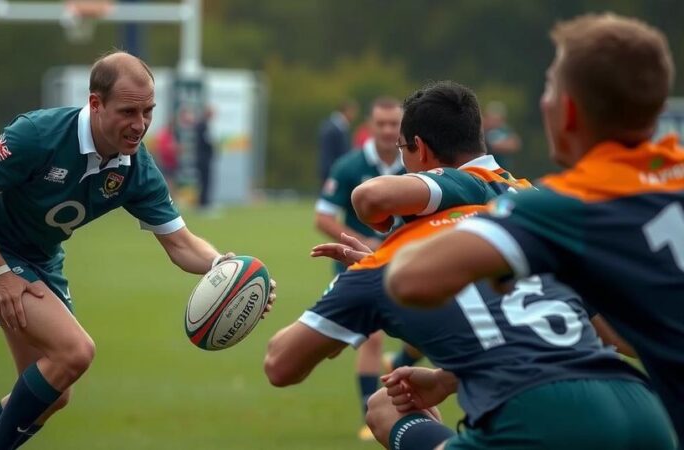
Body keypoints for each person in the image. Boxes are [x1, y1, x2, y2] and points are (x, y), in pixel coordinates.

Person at [265, 81, 674, 450]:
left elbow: (279, 365)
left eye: (403, 152)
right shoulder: (526, 233)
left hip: (538, 420)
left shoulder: (398, 258)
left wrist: (371, 272)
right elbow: (608, 338)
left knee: (385, 408)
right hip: (642, 411)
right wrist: (446, 380)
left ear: (420, 152)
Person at [0, 51, 274, 450]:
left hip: (41, 260)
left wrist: (228, 270)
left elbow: (181, 243)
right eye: (128, 112)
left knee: (55, 392)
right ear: (95, 104)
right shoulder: (37, 134)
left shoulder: (135, 168)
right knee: (74, 352)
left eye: (148, 111)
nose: (140, 125)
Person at [384, 13, 684, 445]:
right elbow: (627, 338)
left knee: (388, 417)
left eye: (549, 86)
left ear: (567, 110)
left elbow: (410, 279)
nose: (543, 101)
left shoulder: (567, 205)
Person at [314, 96, 420, 440]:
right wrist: (365, 242)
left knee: (426, 331)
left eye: (394, 124)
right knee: (371, 338)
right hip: (361, 266)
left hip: (409, 266)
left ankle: (402, 357)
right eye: (381, 124)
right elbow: (323, 217)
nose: (388, 130)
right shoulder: (349, 166)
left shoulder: (416, 166)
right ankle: (369, 415)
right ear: (370, 126)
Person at [318, 99, 359, 184]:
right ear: (346, 111)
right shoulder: (332, 128)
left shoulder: (336, 126)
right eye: (353, 112)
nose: (354, 116)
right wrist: (329, 175)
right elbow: (327, 154)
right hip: (333, 174)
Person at [482, 101, 521, 170]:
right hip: (486, 169)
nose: (493, 122)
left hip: (503, 169)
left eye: (497, 119)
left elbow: (515, 144)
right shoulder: (482, 131)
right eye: (492, 119)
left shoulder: (504, 130)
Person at [194, 106, 215, 209]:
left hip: (202, 157)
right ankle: (204, 203)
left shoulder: (202, 125)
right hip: (203, 158)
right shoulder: (203, 125)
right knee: (204, 181)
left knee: (204, 181)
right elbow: (207, 142)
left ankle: (204, 202)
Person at [154, 119, 179, 197]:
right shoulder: (163, 135)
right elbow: (160, 149)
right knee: (167, 180)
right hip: (165, 162)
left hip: (171, 162)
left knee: (171, 180)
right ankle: (167, 196)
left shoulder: (172, 135)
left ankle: (171, 196)